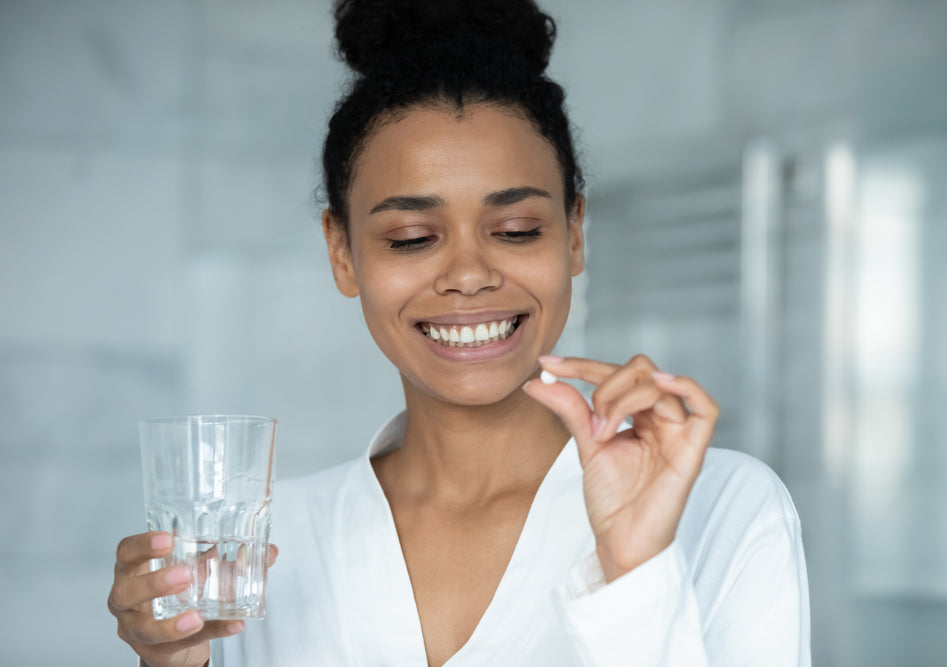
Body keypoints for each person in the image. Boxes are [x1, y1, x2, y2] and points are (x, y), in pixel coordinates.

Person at [108, 0, 811, 665]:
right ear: (343, 252)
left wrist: (634, 573)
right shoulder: (263, 547)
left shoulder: (722, 506)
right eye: (412, 237)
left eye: (516, 230)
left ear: (574, 234)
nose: (468, 274)